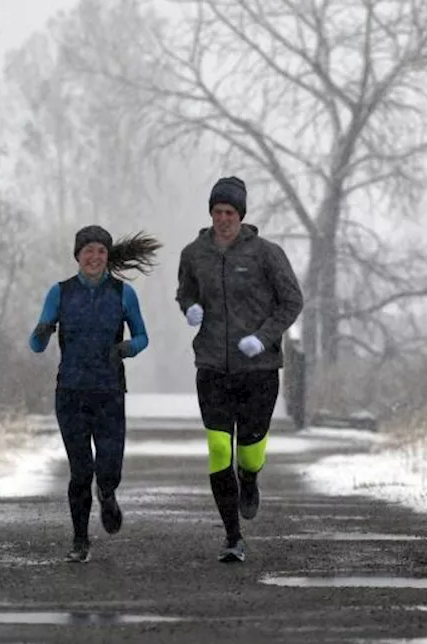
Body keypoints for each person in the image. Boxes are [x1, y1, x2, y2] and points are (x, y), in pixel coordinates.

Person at [176, 176, 304, 563]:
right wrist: (189, 308)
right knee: (218, 448)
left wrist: (263, 338)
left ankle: (250, 478)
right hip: (213, 365)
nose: (222, 219)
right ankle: (233, 536)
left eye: (229, 212)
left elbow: (292, 301)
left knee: (249, 452)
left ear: (241, 215)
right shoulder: (194, 253)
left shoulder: (267, 254)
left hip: (259, 370)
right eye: (217, 212)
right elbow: (186, 291)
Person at [30, 225, 160, 563]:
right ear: (77, 256)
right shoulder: (60, 293)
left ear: (107, 257)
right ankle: (79, 540)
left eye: (101, 251)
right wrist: (43, 330)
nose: (95, 257)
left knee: (108, 466)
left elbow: (143, 336)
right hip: (71, 392)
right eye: (88, 250)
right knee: (79, 471)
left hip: (109, 391)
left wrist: (128, 348)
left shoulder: (122, 294)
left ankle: (108, 493)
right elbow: (35, 345)